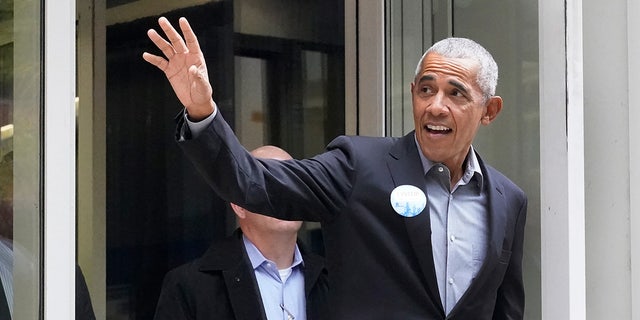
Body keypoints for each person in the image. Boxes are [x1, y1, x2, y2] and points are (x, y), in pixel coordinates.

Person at [143, 17, 527, 319]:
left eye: (455, 93)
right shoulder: (359, 166)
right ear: (413, 93)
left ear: (489, 111)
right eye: (426, 89)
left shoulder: (508, 200)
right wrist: (202, 113)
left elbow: (505, 309)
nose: (436, 106)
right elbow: (255, 182)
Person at [153, 145, 328, 320]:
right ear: (239, 205)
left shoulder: (333, 280)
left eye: (294, 184)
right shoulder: (189, 287)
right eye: (270, 184)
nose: (286, 194)